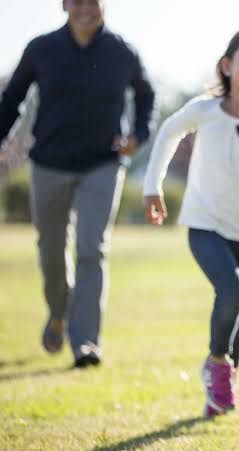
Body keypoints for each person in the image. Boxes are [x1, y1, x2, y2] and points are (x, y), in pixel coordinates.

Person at [143, 26, 239, 417]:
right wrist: (152, 186)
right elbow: (168, 133)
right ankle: (216, 364)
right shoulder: (203, 111)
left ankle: (221, 391)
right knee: (233, 294)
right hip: (204, 223)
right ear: (227, 65)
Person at [0, 0, 155, 367]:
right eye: (78, 1)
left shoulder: (121, 52)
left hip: (102, 164)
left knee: (91, 248)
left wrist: (138, 134)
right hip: (49, 164)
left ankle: (85, 342)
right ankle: (58, 313)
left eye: (94, 1)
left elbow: (147, 96)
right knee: (50, 249)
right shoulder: (42, 48)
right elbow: (12, 99)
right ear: (65, 5)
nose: (86, 8)